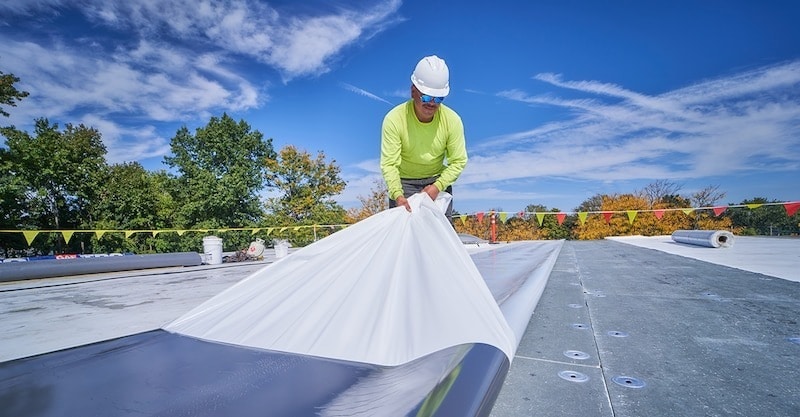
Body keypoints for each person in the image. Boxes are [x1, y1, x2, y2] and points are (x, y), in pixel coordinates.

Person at [380, 55, 468, 222]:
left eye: (438, 98)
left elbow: (458, 161)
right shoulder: (394, 119)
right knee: (403, 233)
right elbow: (389, 164)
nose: (432, 103)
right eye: (426, 97)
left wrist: (437, 187)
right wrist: (397, 195)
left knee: (440, 232)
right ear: (413, 91)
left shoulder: (453, 120)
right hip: (403, 183)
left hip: (437, 181)